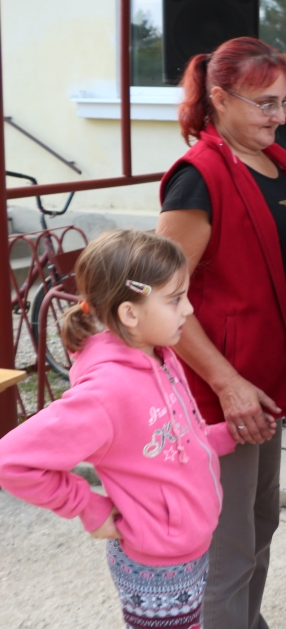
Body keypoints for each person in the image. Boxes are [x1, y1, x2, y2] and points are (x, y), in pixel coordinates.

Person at [157, 36, 286, 629]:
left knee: (259, 524)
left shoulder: (275, 162)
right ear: (221, 99)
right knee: (227, 552)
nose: (280, 117)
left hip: (265, 378)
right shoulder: (198, 179)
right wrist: (228, 384)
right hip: (223, 388)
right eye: (266, 104)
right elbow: (159, 298)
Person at [0, 230, 239, 629]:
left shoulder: (162, 357)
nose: (189, 309)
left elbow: (171, 442)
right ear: (130, 313)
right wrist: (90, 509)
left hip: (186, 549)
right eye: (175, 299)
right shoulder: (105, 393)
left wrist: (229, 435)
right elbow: (11, 460)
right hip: (155, 565)